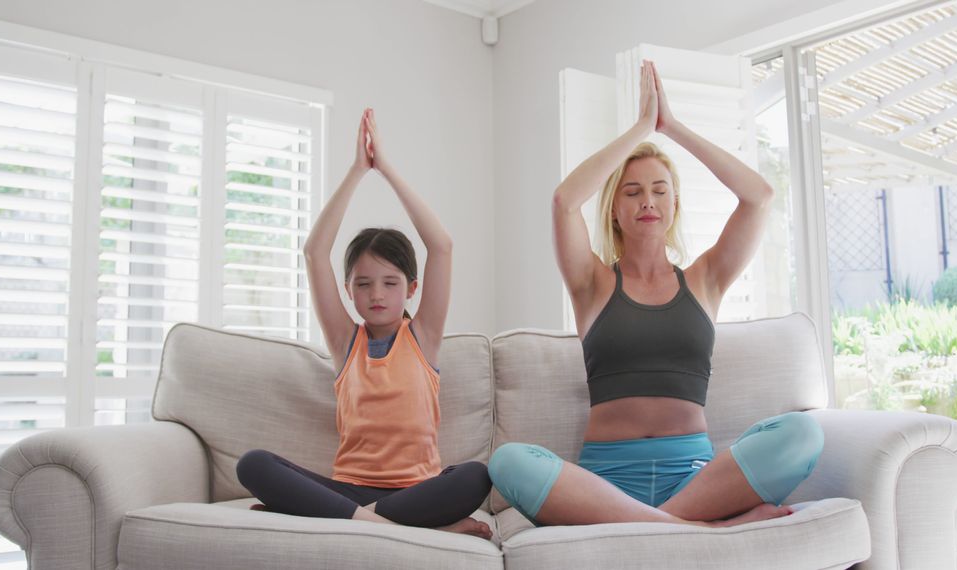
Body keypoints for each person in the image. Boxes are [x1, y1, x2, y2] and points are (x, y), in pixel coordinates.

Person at [488, 61, 823, 528]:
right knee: (508, 462)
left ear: (673, 204)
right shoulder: (592, 283)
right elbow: (565, 200)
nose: (647, 201)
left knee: (803, 433)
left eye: (659, 190)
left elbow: (759, 196)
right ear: (614, 211)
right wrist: (641, 128)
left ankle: (651, 523)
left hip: (695, 480)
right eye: (632, 192)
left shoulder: (706, 278)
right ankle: (694, 528)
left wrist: (673, 128)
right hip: (604, 481)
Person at [237, 108, 491, 539]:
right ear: (348, 290)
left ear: (412, 288)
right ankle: (405, 526)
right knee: (253, 464)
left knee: (477, 476)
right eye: (364, 284)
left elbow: (441, 246)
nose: (376, 295)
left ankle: (336, 518)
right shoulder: (344, 341)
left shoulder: (423, 336)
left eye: (390, 283)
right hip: (349, 490)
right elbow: (316, 253)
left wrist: (386, 169)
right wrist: (357, 171)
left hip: (418, 490)